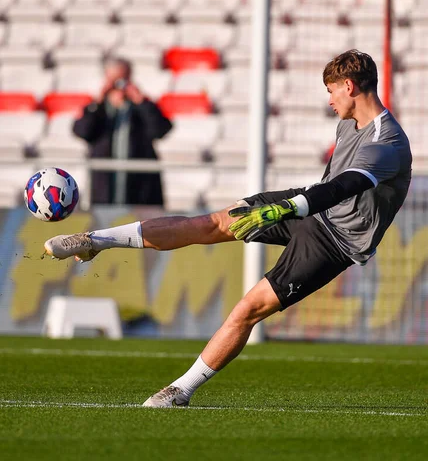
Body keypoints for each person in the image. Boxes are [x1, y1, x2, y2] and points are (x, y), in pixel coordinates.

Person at [45, 50, 412, 408]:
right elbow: (327, 186)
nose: (329, 101)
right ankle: (97, 241)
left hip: (336, 241)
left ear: (348, 86)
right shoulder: (348, 123)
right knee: (209, 223)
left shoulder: (387, 142)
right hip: (310, 207)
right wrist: (289, 206)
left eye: (331, 91)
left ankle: (179, 391)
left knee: (247, 309)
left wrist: (285, 208)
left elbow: (342, 187)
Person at [73, 57, 173, 206]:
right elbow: (82, 131)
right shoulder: (98, 109)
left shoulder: (141, 108)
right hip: (105, 188)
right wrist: (98, 103)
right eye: (114, 80)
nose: (119, 85)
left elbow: (160, 130)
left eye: (123, 79)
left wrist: (141, 101)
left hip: (139, 189)